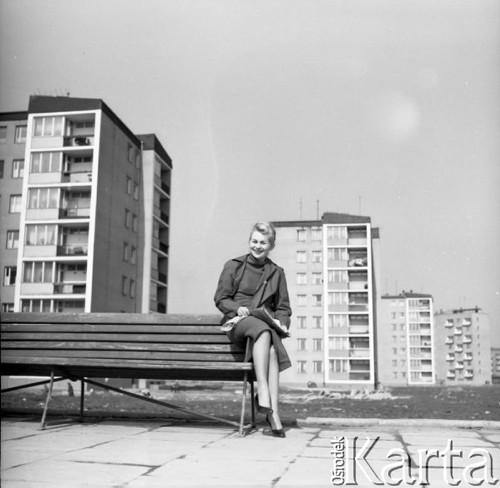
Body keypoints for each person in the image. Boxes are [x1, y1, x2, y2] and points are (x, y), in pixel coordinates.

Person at [214, 222, 292, 437]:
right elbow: (221, 298)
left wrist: (282, 322)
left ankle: (272, 413)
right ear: (249, 242)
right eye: (254, 241)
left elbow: (283, 307)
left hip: (262, 323)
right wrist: (236, 308)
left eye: (263, 243)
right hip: (238, 322)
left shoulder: (277, 273)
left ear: (271, 246)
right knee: (265, 332)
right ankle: (264, 394)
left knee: (273, 350)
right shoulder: (234, 266)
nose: (257, 246)